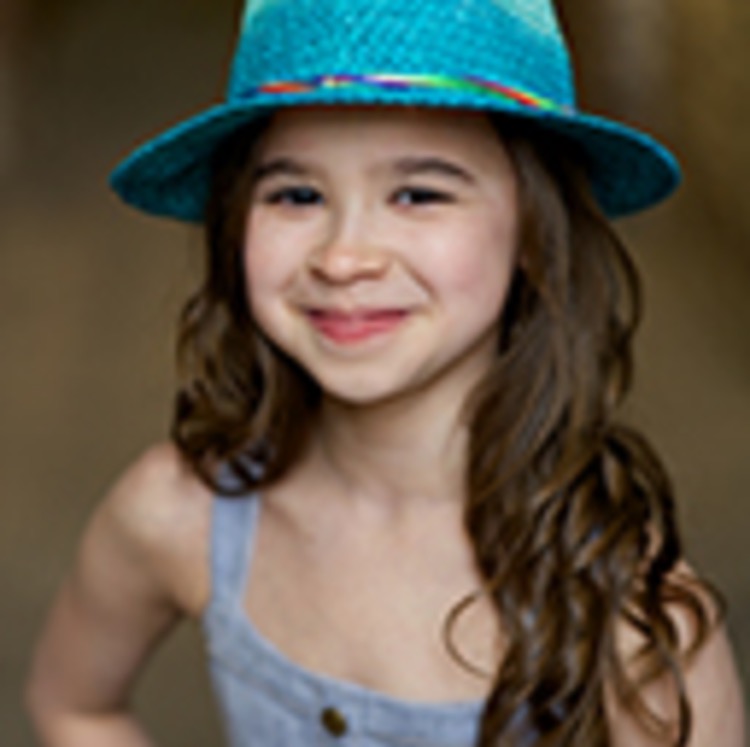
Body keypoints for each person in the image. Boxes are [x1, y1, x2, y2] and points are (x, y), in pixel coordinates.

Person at [25, 0, 745, 745]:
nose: (343, 258)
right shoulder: (180, 514)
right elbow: (75, 705)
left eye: (418, 193)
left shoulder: (634, 621)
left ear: (537, 231)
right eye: (296, 195)